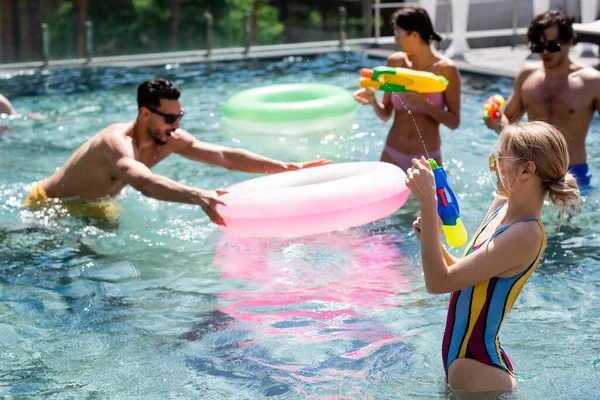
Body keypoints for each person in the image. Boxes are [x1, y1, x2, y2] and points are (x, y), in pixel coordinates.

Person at [406, 121, 580, 392]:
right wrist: (430, 237)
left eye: (498, 159)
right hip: (469, 365)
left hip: (478, 368)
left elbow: (437, 283)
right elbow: (463, 275)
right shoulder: (502, 206)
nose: (493, 167)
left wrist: (428, 202)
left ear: (526, 170)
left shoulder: (526, 234)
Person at [23, 79, 330, 224]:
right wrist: (197, 194)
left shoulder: (169, 138)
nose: (175, 125)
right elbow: (141, 182)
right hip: (50, 207)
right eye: (169, 118)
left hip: (98, 206)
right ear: (145, 114)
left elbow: (224, 156)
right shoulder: (115, 142)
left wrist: (288, 167)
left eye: (179, 117)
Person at [484, 10, 600, 187]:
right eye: (538, 46)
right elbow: (509, 126)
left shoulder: (591, 81)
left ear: (569, 41)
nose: (544, 52)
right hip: (531, 171)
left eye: (552, 46)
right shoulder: (526, 76)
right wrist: (497, 121)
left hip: (573, 174)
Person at [353, 6, 461, 172]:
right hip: (392, 153)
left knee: (429, 199)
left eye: (397, 33)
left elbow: (454, 123)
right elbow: (386, 114)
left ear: (415, 35)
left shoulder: (446, 69)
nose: (395, 39)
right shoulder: (395, 63)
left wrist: (424, 104)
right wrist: (373, 101)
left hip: (427, 158)